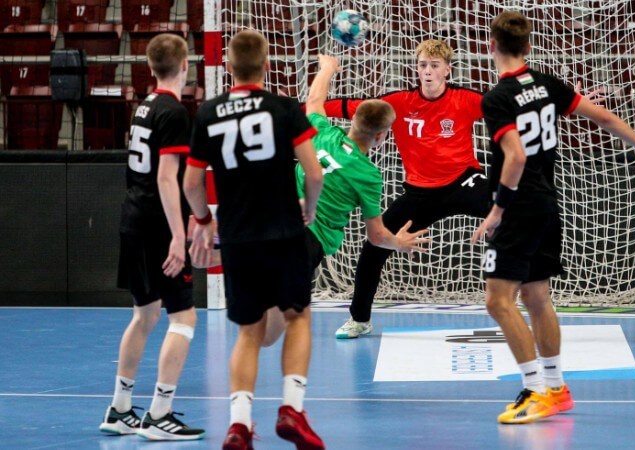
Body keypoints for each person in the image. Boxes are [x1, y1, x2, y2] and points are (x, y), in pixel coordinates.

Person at [323, 39, 602, 339]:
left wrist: (567, 105)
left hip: (464, 181)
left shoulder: (465, 99)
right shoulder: (399, 102)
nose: (427, 71)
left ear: (447, 70)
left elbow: (516, 109)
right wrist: (300, 111)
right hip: (420, 193)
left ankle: (535, 298)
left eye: (434, 65)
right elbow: (348, 107)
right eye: (422, 65)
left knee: (516, 215)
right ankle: (360, 319)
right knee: (374, 248)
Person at [472, 11, 635, 424]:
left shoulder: (497, 98)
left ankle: (535, 389)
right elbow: (604, 117)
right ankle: (556, 389)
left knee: (498, 301)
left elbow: (515, 156)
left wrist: (497, 210)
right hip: (547, 202)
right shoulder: (547, 84)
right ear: (528, 47)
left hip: (520, 208)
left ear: (492, 46)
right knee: (536, 296)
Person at [182, 30, 325, 450]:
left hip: (238, 236)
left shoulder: (208, 113)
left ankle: (239, 424)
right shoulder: (284, 108)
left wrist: (203, 219)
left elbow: (192, 182)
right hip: (283, 230)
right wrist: (310, 208)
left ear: (229, 67)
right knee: (298, 317)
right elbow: (314, 173)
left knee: (249, 332)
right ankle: (292, 408)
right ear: (266, 65)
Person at [261, 54, 430, 347]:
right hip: (307, 241)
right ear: (380, 137)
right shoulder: (368, 175)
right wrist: (399, 243)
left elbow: (314, 100)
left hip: (273, 221)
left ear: (353, 121)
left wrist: (327, 67)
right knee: (276, 328)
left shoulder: (323, 133)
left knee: (262, 300)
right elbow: (376, 236)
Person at [99, 34, 205, 441]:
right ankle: (160, 413)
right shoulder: (174, 112)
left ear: (149, 66)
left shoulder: (144, 106)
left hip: (133, 217)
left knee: (144, 315)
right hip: (157, 225)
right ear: (185, 66)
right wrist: (179, 235)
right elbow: (165, 177)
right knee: (184, 317)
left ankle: (120, 408)